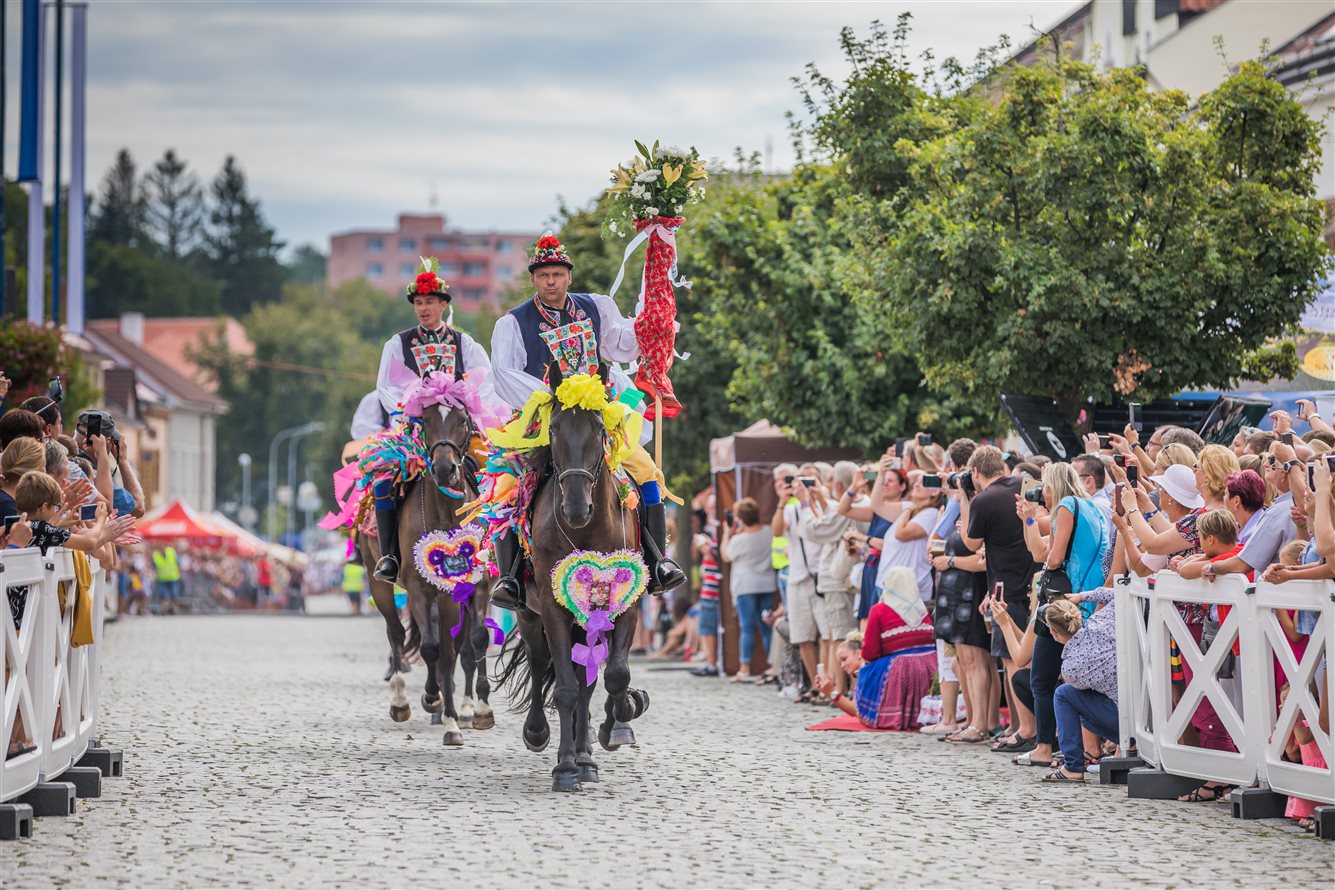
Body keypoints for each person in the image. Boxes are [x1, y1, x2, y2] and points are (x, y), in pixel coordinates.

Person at [489, 234, 685, 606]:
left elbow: (622, 345)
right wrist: (551, 397)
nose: (551, 281)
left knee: (646, 471)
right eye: (544, 274)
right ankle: (511, 578)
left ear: (569, 277)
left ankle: (659, 561)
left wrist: (652, 323)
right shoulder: (513, 322)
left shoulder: (596, 308)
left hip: (598, 414)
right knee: (507, 485)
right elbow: (503, 373)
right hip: (544, 418)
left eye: (558, 274)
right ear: (533, 279)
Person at [370, 257, 497, 583]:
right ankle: (390, 557)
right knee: (383, 481)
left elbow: (485, 381)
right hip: (415, 426)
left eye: (430, 302)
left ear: (443, 304)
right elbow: (386, 386)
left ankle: (496, 554)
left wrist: (462, 399)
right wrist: (406, 408)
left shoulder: (464, 342)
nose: (424, 308)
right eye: (419, 303)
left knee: (500, 477)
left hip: (456, 427)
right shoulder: (398, 343)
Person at [1014, 462, 1109, 768]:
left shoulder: (1066, 506)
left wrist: (1036, 526)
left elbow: (1051, 559)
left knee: (1041, 677)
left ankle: (1044, 747)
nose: (1043, 493)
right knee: (1078, 679)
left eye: (1045, 486)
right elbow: (1038, 554)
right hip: (1088, 599)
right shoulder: (1091, 507)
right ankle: (1089, 748)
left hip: (1068, 601)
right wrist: (1029, 521)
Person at [959, 445, 1038, 753]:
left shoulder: (983, 499)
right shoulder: (1024, 484)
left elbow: (970, 541)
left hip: (1005, 583)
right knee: (1028, 655)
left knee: (1011, 657)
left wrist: (964, 499)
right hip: (1033, 577)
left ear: (976, 472)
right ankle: (1021, 726)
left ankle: (1025, 727)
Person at [813, 567, 937, 729]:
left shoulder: (879, 610)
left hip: (901, 671)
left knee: (868, 670)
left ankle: (847, 698)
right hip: (931, 667)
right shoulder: (923, 611)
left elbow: (870, 652)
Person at [1038, 596, 1119, 784]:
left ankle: (1072, 766)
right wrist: (1083, 595)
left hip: (1125, 719)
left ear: (1053, 632)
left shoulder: (1071, 668)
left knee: (1064, 695)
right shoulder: (1102, 620)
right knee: (1081, 701)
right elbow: (1119, 591)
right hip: (1146, 708)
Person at [721, 497, 776, 681]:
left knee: (747, 628)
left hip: (745, 586)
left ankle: (744, 668)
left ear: (740, 518)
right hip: (767, 583)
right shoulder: (769, 532)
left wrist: (726, 533)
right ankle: (772, 666)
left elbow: (726, 556)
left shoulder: (738, 540)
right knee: (766, 626)